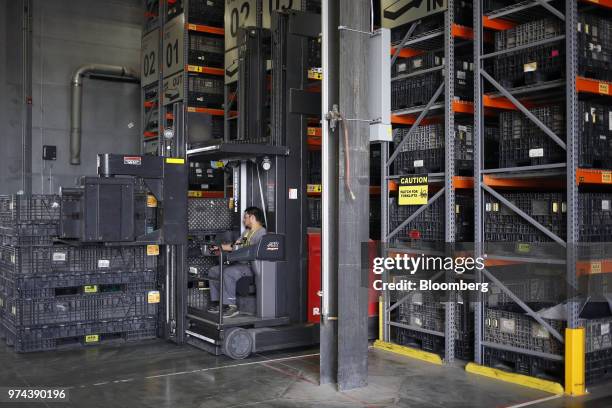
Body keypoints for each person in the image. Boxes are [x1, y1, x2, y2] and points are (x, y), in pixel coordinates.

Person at [207, 206, 267, 318]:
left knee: (229, 272)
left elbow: (253, 251)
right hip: (239, 264)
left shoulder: (261, 234)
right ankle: (217, 302)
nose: (244, 220)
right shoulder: (247, 233)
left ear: (252, 218)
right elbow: (237, 246)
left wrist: (233, 250)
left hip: (251, 267)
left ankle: (231, 306)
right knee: (214, 271)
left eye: (245, 217)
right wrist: (219, 247)